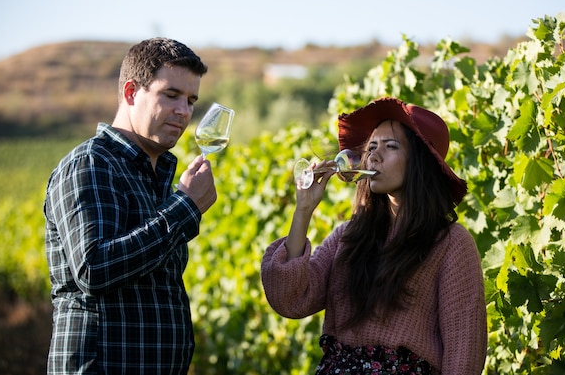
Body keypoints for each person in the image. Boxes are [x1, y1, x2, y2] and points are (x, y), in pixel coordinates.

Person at [261, 97, 487, 374]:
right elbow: (289, 299)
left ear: (420, 162)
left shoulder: (451, 243)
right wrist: (303, 210)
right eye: (371, 147)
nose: (373, 156)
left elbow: (463, 356)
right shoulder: (348, 236)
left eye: (390, 146)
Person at [44, 38, 218, 374]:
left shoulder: (157, 178)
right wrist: (184, 207)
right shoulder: (91, 164)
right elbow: (93, 268)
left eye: (191, 100)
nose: (184, 111)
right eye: (171, 95)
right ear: (130, 93)